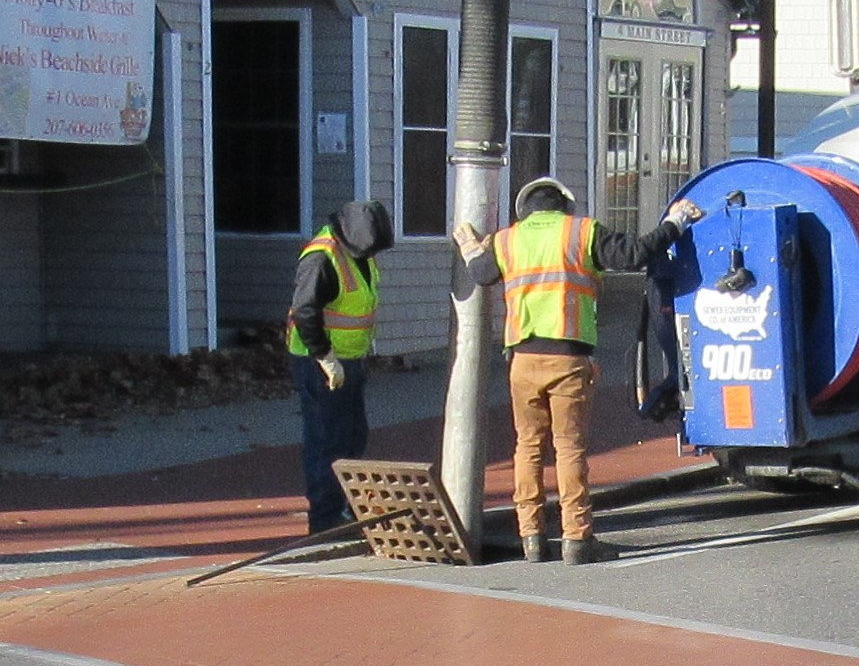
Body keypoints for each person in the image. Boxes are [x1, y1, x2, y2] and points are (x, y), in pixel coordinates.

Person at [453, 177, 702, 565]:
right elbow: (635, 254)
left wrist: (470, 246)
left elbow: (482, 273)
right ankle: (576, 538)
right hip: (568, 358)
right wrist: (676, 222)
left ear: (525, 210)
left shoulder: (506, 240)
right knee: (568, 448)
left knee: (527, 448)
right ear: (564, 206)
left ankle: (531, 537)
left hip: (522, 360)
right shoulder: (581, 232)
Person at [286, 200, 394, 535]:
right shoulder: (321, 258)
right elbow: (305, 311)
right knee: (327, 442)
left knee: (352, 437)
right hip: (319, 362)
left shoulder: (358, 252)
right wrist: (325, 357)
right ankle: (325, 523)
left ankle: (344, 509)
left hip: (350, 359)